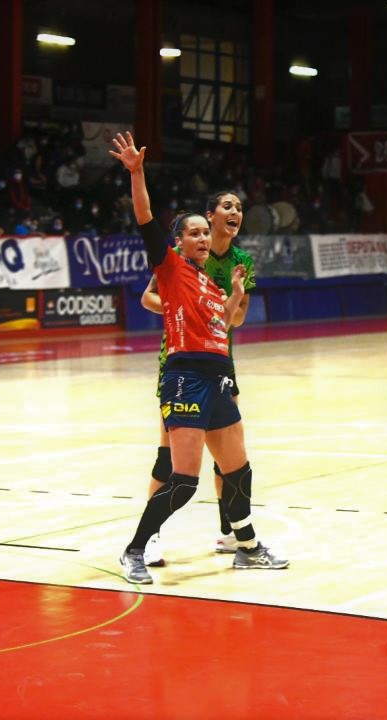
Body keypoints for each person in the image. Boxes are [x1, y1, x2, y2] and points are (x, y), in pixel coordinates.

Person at [110, 131, 286, 585]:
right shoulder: (169, 268)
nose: (204, 238)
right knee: (184, 479)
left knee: (238, 470)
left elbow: (223, 324)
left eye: (206, 233)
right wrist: (137, 173)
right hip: (185, 376)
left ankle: (247, 546)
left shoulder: (209, 283)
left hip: (219, 377)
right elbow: (145, 217)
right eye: (195, 233)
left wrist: (237, 294)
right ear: (178, 241)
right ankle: (134, 549)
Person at [139, 189, 256, 567]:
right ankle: (149, 538)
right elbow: (148, 297)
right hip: (180, 364)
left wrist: (228, 300)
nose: (235, 213)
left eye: (239, 208)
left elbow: (236, 318)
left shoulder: (241, 262)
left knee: (229, 457)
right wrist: (181, 310)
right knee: (170, 459)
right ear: (210, 215)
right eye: (227, 206)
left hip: (221, 363)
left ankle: (231, 532)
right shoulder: (179, 259)